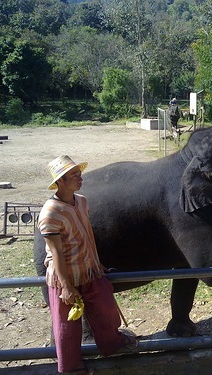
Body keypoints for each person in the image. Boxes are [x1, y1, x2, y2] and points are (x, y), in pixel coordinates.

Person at [38, 155, 138, 375]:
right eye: (74, 176)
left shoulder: (82, 201)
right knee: (67, 326)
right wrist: (65, 286)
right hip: (65, 275)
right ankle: (71, 368)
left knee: (106, 309)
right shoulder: (49, 213)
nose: (80, 178)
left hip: (89, 269)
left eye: (79, 173)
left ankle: (112, 345)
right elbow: (55, 253)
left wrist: (96, 262)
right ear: (60, 181)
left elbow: (87, 234)